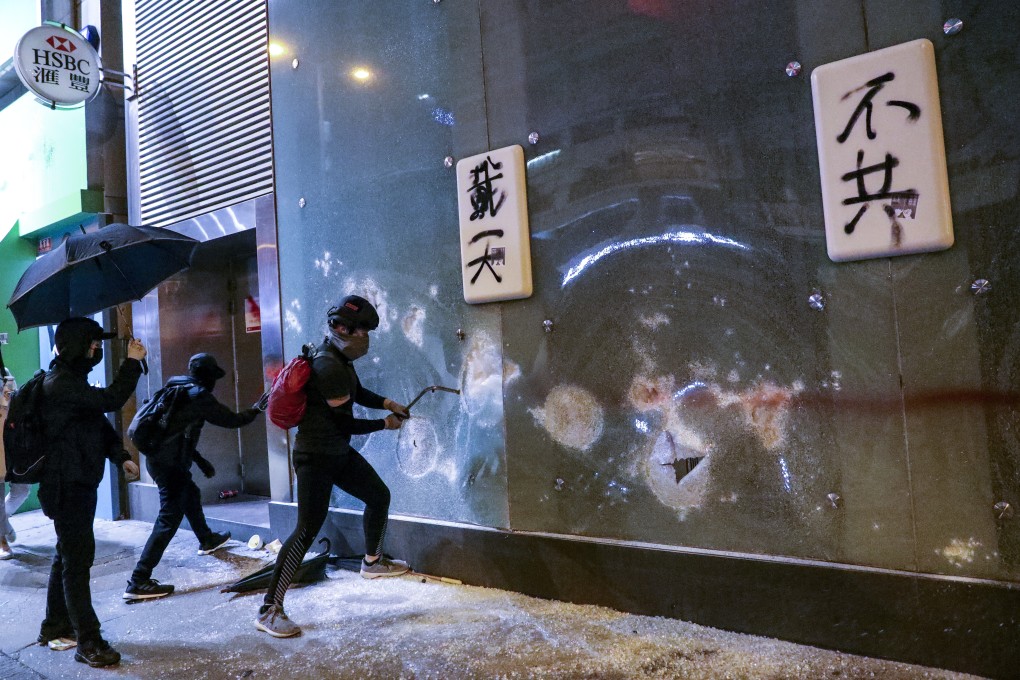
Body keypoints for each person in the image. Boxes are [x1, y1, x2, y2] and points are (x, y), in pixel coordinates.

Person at [255, 295, 409, 638]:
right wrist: (384, 424)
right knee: (306, 530)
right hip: (315, 458)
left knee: (378, 495)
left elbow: (355, 392)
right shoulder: (328, 366)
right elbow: (346, 424)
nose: (365, 338)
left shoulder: (337, 357)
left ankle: (372, 562)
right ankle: (270, 609)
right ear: (342, 329)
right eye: (362, 331)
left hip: (335, 452)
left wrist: (387, 402)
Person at [37, 317, 145, 668]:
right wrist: (132, 362)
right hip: (66, 487)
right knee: (77, 563)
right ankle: (89, 641)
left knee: (67, 555)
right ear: (75, 346)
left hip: (79, 482)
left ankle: (55, 625)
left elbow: (96, 424)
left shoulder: (73, 381)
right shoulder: (59, 384)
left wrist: (120, 456)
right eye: (92, 345)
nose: (96, 351)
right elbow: (110, 400)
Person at [124, 353, 261, 600]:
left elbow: (176, 434)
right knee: (169, 519)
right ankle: (138, 580)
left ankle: (206, 539)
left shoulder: (176, 387)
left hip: (161, 460)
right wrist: (256, 410)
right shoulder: (198, 395)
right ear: (208, 376)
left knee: (190, 493)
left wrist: (199, 461)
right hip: (170, 466)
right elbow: (231, 420)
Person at [0, 367, 32, 560]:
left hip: (12, 441)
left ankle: (3, 524)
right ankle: (2, 540)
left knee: (22, 489)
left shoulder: (5, 374)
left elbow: (17, 405)